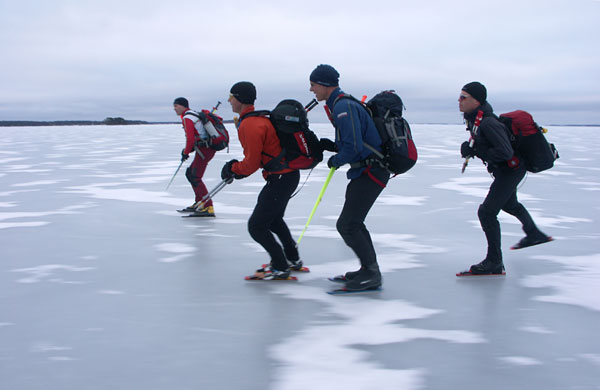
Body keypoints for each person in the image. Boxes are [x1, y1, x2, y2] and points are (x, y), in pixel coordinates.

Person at [309, 64, 390, 291]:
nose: (311, 89)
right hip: (367, 170)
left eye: (313, 84)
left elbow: (353, 146)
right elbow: (354, 143)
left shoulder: (343, 106)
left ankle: (372, 273)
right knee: (353, 223)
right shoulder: (341, 104)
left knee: (348, 224)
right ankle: (368, 270)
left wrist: (337, 159)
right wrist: (334, 147)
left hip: (371, 171)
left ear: (325, 85)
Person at [458, 82, 552, 275]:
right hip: (506, 170)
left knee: (486, 212)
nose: (459, 101)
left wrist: (475, 150)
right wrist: (472, 150)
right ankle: (534, 233)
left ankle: (494, 261)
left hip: (511, 170)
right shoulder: (476, 120)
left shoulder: (488, 122)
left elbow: (505, 152)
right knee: (509, 204)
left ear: (476, 101)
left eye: (463, 97)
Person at [221, 81, 303, 280]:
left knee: (256, 227)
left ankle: (280, 266)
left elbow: (250, 164)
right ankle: (292, 259)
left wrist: (232, 168)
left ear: (239, 99)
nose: (229, 100)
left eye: (231, 96)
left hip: (282, 177)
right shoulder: (258, 119)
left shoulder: (250, 124)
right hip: (288, 175)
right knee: (273, 220)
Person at [173, 97, 217, 217]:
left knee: (195, 176)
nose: (174, 108)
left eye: (176, 106)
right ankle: (200, 203)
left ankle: (208, 206)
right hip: (205, 149)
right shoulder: (193, 115)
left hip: (205, 150)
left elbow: (191, 139)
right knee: (190, 173)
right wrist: (187, 151)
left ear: (183, 106)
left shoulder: (187, 118)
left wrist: (186, 152)